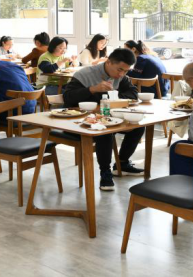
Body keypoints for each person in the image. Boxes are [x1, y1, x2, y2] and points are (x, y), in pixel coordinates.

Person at [62, 48, 144, 191]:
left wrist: (113, 96)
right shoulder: (85, 74)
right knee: (105, 131)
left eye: (126, 71)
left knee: (137, 126)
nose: (121, 74)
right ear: (109, 62)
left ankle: (122, 163)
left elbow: (133, 93)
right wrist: (92, 89)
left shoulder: (121, 77)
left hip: (106, 119)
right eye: (119, 69)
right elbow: (68, 98)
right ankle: (105, 172)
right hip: (77, 123)